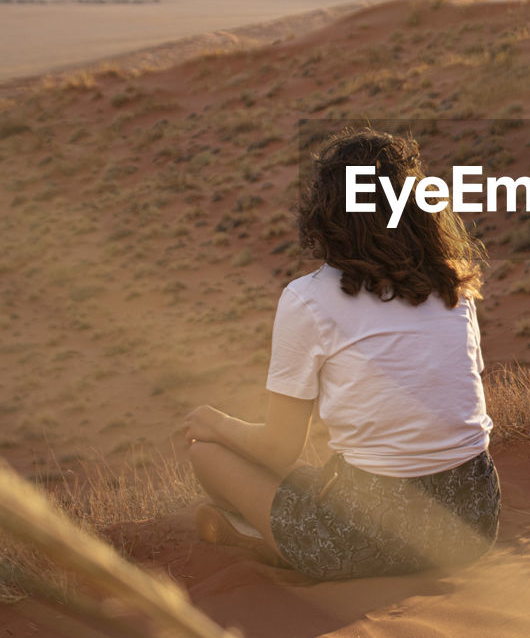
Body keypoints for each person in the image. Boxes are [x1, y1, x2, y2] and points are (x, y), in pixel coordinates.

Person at [183, 127, 501, 580]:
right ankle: (273, 536)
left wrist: (216, 423)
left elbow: (277, 449)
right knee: (326, 476)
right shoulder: (453, 285)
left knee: (208, 454)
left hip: (365, 535)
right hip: (473, 524)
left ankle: (267, 544)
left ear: (327, 212)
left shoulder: (307, 299)